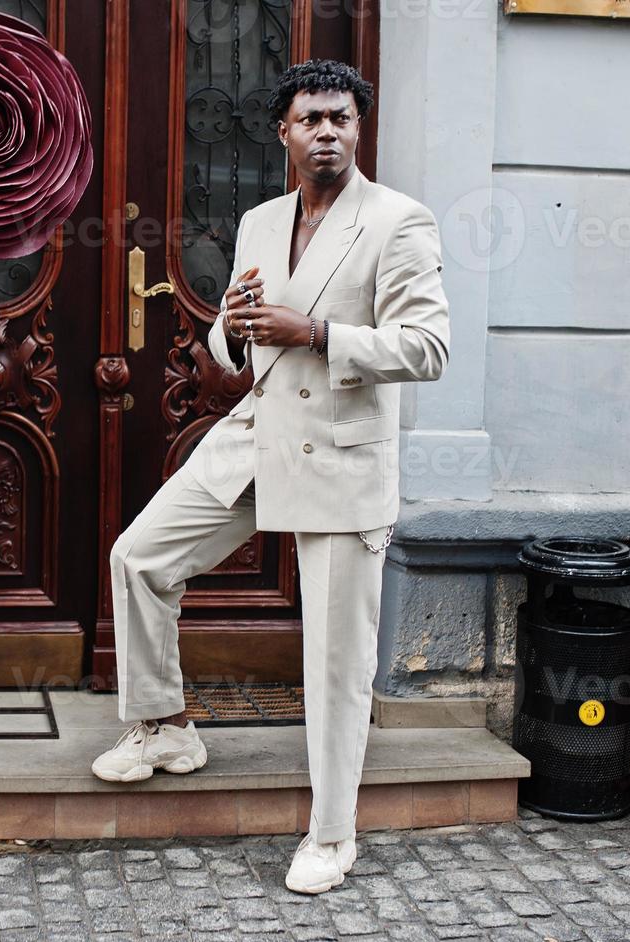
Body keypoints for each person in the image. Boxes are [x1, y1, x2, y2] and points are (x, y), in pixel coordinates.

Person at [90, 59, 451, 895]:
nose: (327, 132)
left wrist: (316, 330)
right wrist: (238, 330)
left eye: (341, 118)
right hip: (253, 436)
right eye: (310, 119)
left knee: (332, 660)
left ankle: (331, 835)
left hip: (339, 451)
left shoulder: (398, 221)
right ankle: (164, 726)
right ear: (282, 132)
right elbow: (232, 341)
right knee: (139, 558)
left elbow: (426, 348)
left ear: (357, 129)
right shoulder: (257, 221)